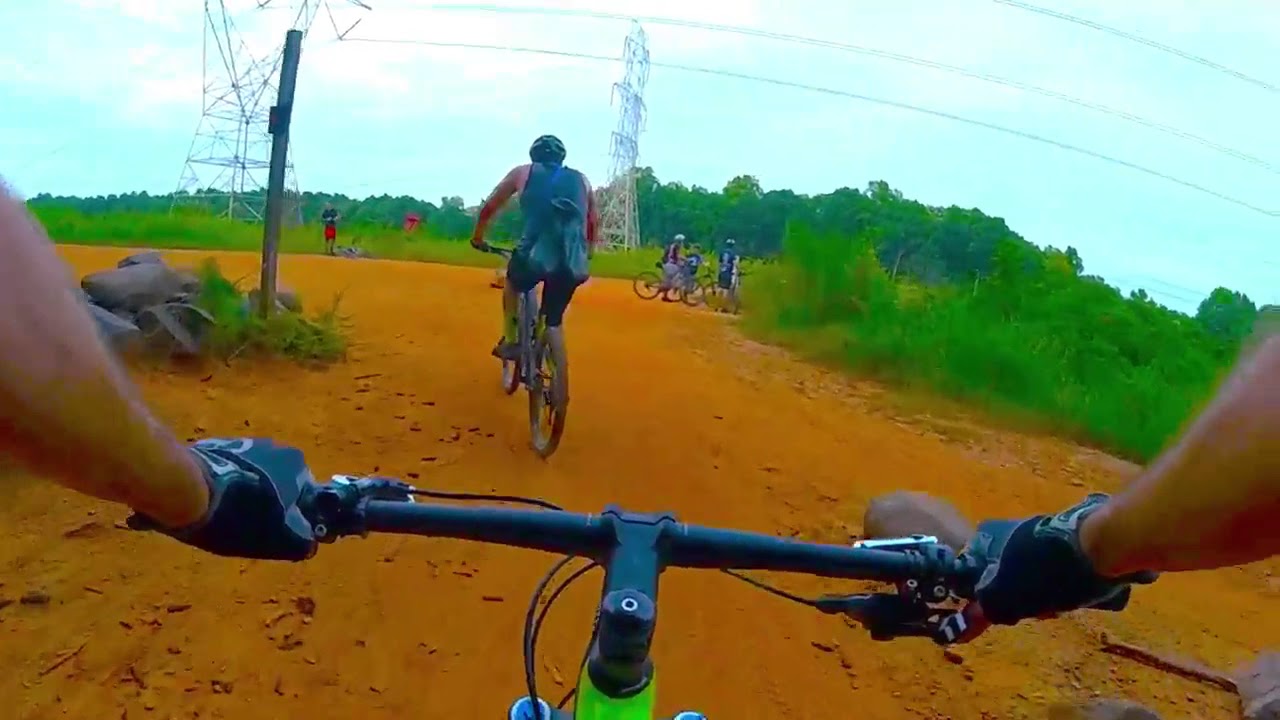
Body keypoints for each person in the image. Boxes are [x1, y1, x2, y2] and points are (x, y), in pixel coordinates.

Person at [2, 181, 1279, 636]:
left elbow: (503, 213)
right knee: (554, 301)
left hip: (528, 259)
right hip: (580, 270)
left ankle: (523, 350)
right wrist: (1066, 553)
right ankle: (546, 345)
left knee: (515, 290)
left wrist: (195, 491)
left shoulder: (525, 182)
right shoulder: (592, 200)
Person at [469, 135, 600, 362]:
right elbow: (592, 221)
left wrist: (478, 236)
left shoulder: (523, 172)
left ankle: (511, 340)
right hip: (572, 260)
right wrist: (588, 251)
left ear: (533, 154)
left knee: (512, 283)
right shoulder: (583, 180)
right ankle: (547, 339)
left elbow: (490, 206)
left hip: (532, 255)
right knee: (553, 315)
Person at [659, 233, 687, 302]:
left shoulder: (673, 246)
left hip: (669, 264)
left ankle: (665, 295)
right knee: (671, 279)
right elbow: (677, 256)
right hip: (671, 265)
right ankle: (665, 290)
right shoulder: (676, 246)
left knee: (669, 279)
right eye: (682, 241)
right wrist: (685, 259)